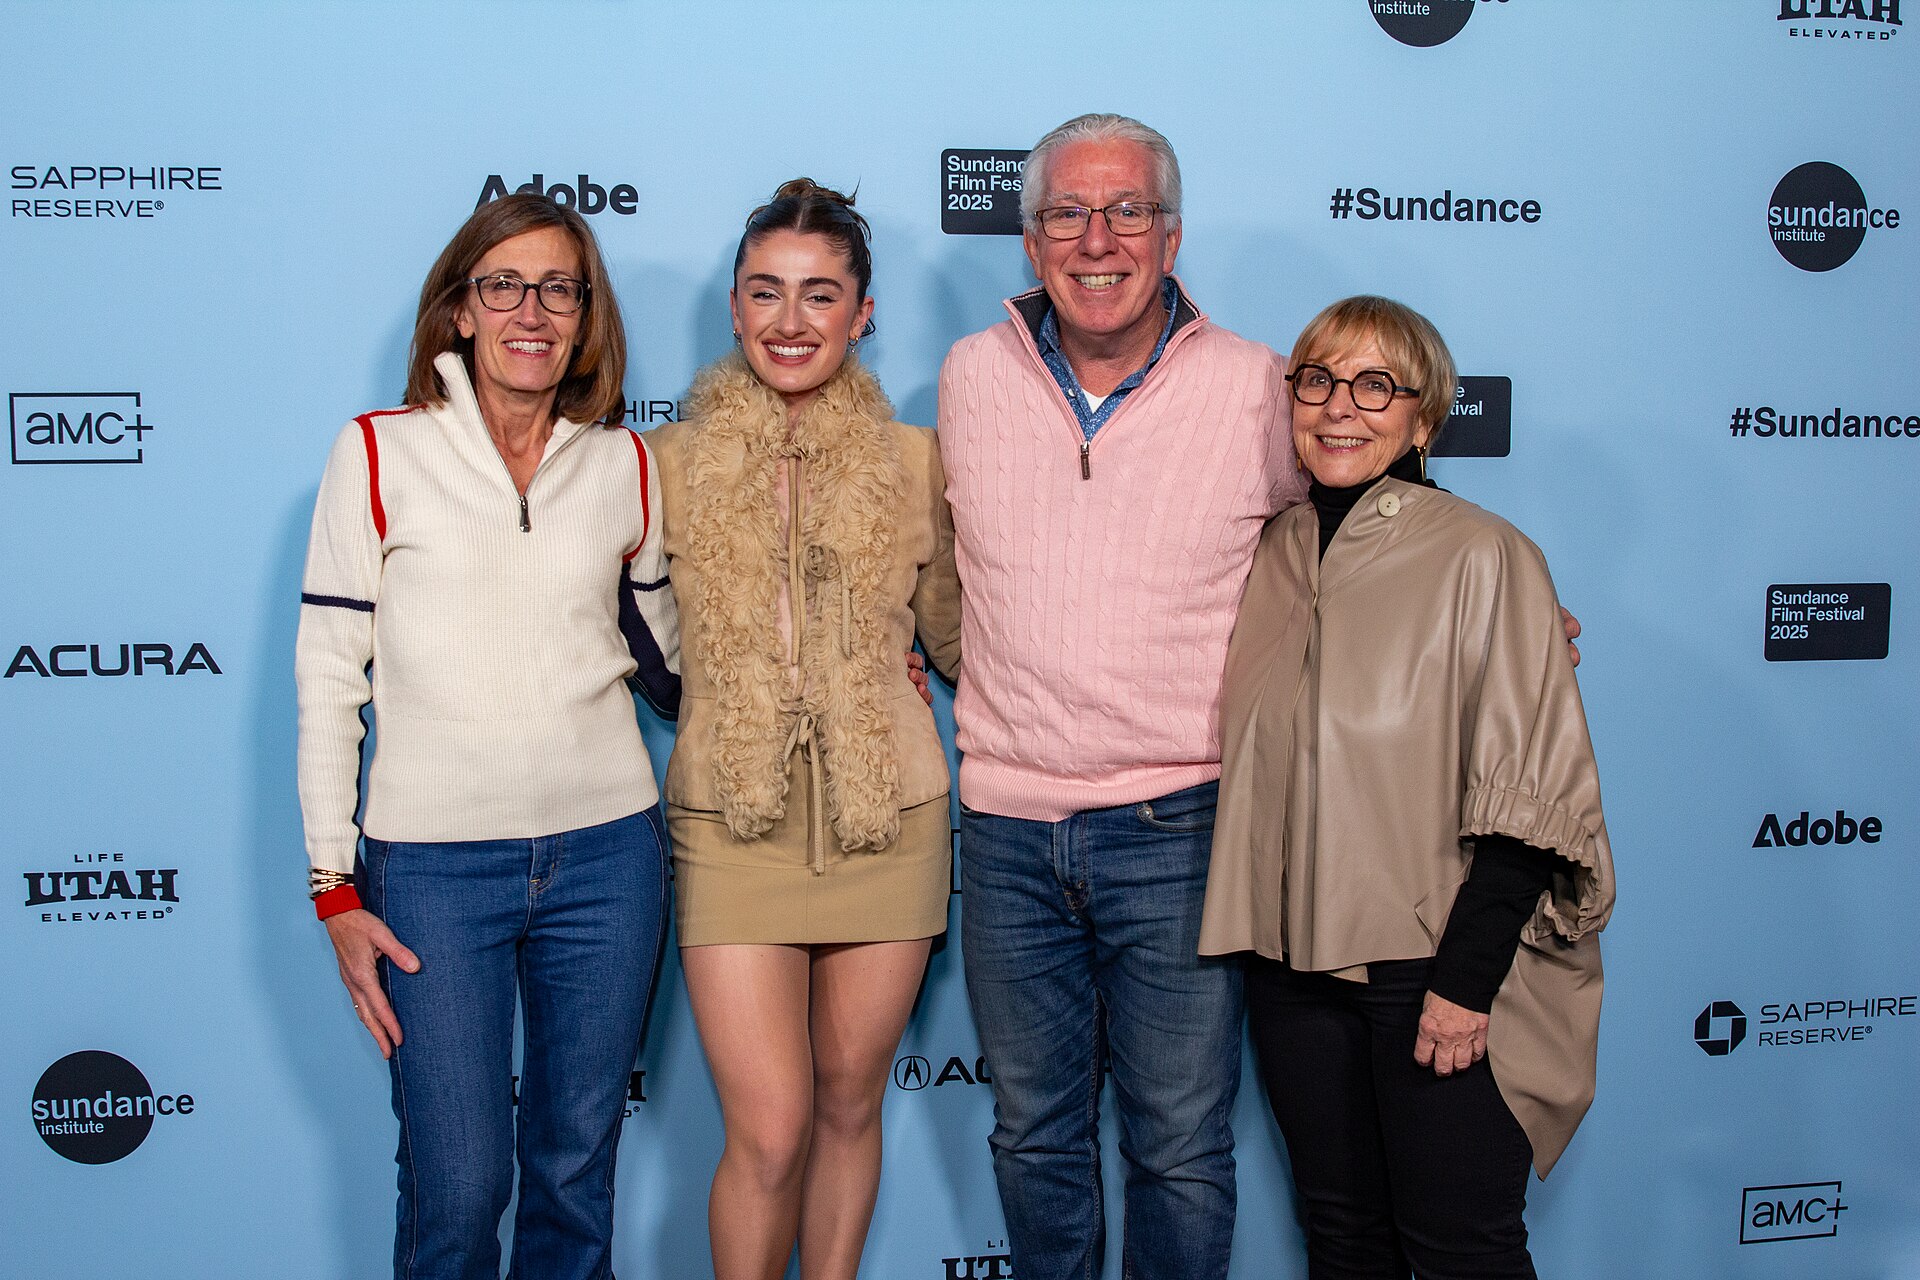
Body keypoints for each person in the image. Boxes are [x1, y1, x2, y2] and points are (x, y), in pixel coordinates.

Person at [938, 115, 1581, 1280]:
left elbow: (1383, 517)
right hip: (1006, 832)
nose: (1099, 239)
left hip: (1182, 826)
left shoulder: (1251, 387)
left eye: (1128, 210)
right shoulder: (971, 375)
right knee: (1035, 1136)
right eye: (1069, 215)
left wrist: (1519, 616)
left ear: (1172, 234)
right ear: (1029, 243)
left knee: (1181, 1146)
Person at [296, 192, 680, 1280]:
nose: (531, 309)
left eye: (557, 287)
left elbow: (676, 658)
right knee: (459, 1189)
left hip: (609, 857)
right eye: (502, 284)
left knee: (574, 1174)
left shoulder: (626, 467)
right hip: (430, 871)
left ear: (583, 316)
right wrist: (334, 885)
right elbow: (329, 677)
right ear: (460, 310)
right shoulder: (376, 453)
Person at [1199, 295, 1615, 1280]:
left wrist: (1463, 988)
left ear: (1423, 417)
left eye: (1376, 383)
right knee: (1345, 1245)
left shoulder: (1486, 555)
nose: (1341, 405)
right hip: (1290, 975)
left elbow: (1531, 796)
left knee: (1460, 1249)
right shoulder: (1270, 552)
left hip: (1432, 971)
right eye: (1319, 378)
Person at [647, 178, 961, 1280]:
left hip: (895, 818)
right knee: (769, 1127)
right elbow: (626, 636)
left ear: (862, 311)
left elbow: (968, 637)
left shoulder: (919, 461)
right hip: (733, 820)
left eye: (820, 294)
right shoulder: (665, 466)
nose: (791, 321)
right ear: (733, 307)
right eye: (767, 293)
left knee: (845, 1102)